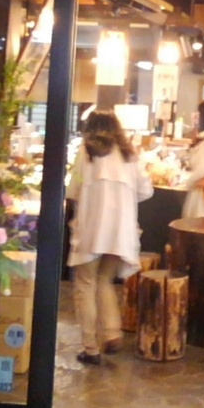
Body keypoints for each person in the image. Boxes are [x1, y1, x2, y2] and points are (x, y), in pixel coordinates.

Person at [66, 109, 152, 365]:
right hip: (120, 231)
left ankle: (91, 347)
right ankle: (112, 333)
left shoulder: (86, 153)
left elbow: (73, 190)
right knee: (105, 280)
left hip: (92, 229)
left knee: (86, 283)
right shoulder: (128, 154)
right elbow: (146, 190)